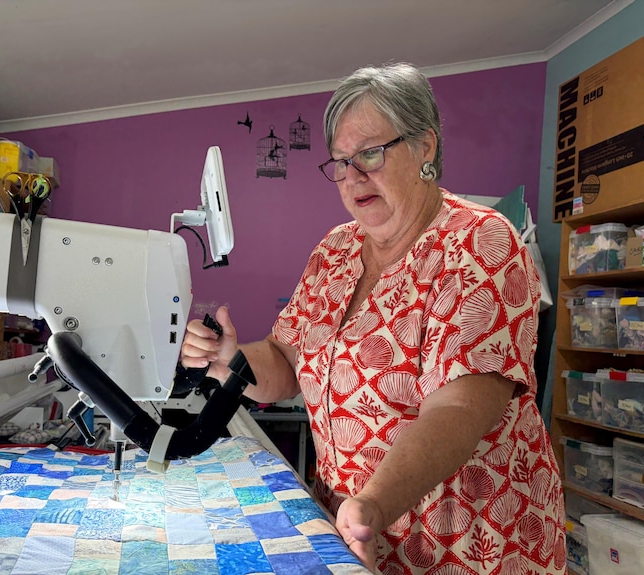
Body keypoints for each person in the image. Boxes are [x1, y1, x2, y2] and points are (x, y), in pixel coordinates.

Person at [181, 62, 566, 574]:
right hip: (359, 534)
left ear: (425, 147)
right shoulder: (334, 252)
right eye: (341, 161)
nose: (353, 176)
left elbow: (460, 407)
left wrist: (374, 504)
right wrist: (229, 359)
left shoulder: (478, 242)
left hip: (468, 541)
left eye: (369, 153)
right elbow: (286, 359)